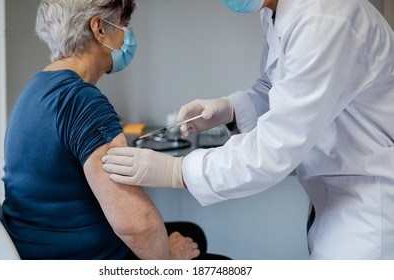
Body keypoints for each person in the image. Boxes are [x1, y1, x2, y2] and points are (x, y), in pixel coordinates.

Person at [102, 0, 394, 259]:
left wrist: (178, 172)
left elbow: (274, 148)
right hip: (333, 193)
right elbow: (275, 89)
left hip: (369, 204)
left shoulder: (325, 17)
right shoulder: (276, 12)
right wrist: (230, 108)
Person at [1, 0, 202, 260]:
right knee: (208, 255)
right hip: (86, 260)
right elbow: (137, 225)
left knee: (190, 233)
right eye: (123, 25)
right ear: (99, 30)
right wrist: (168, 261)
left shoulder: (37, 87)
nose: (127, 37)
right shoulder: (81, 100)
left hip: (36, 250)